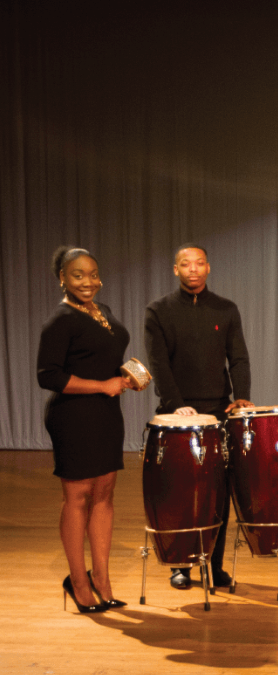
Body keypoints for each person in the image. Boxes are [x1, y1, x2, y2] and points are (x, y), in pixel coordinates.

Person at [144, 244, 253, 591]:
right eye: (185, 264)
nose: (193, 269)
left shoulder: (226, 309)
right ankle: (181, 565)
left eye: (199, 263)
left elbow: (238, 357)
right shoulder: (158, 310)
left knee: (217, 494)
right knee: (180, 493)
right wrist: (175, 404)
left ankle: (214, 566)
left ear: (208, 268)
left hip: (218, 411)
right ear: (175, 270)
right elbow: (158, 362)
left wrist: (241, 397)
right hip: (176, 414)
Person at [37, 247, 133, 613]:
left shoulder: (101, 311)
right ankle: (78, 582)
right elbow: (48, 375)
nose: (88, 281)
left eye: (93, 274)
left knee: (104, 495)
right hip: (73, 416)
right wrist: (102, 385)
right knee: (78, 497)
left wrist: (124, 376)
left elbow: (99, 358)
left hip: (106, 413)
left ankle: (101, 579)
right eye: (78, 275)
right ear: (63, 277)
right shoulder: (60, 320)